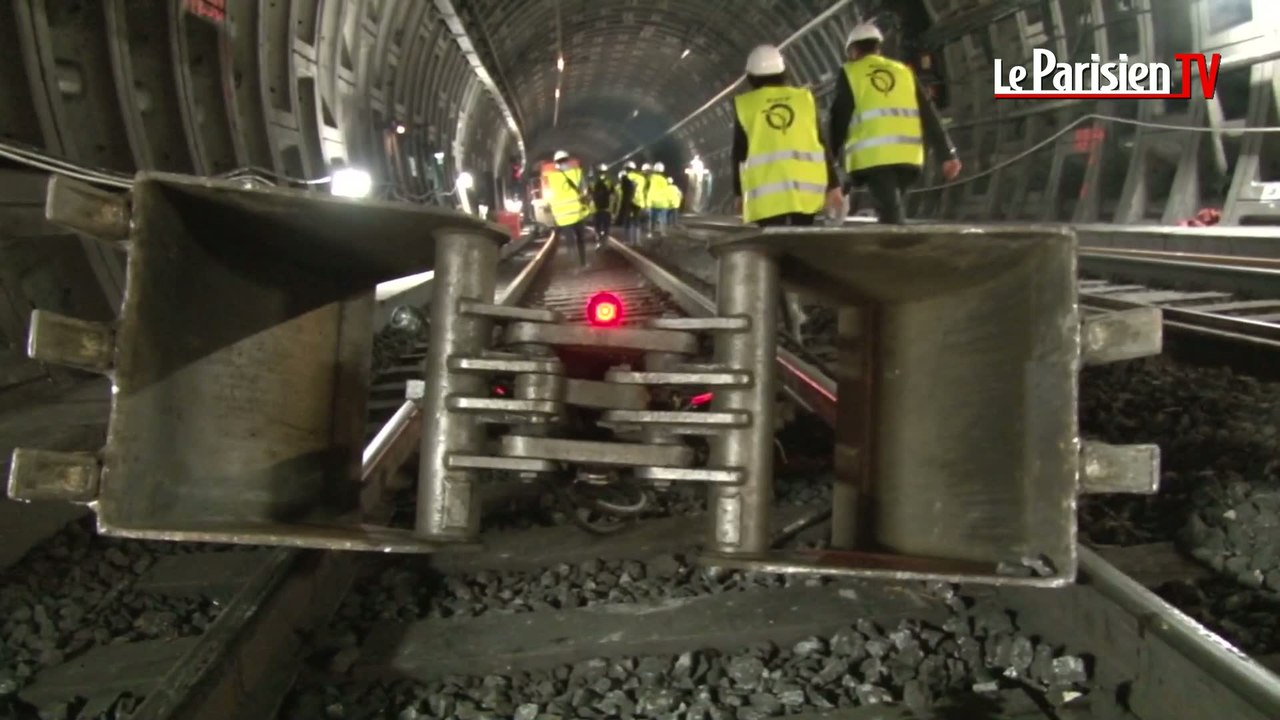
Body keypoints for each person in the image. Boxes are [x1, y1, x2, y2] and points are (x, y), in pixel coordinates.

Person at [828, 22, 961, 224]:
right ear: (878, 47)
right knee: (890, 210)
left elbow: (840, 116)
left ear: (853, 51)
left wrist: (831, 157)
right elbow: (928, 113)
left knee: (891, 216)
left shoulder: (851, 72)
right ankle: (892, 234)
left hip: (875, 158)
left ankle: (899, 242)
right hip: (909, 159)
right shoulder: (904, 72)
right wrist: (947, 154)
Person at [732, 45, 842, 227]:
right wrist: (834, 184)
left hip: (767, 196)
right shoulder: (805, 98)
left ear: (751, 76)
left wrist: (739, 193)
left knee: (773, 242)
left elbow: (739, 154)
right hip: (806, 190)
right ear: (783, 72)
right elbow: (821, 143)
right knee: (801, 240)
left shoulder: (745, 105)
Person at [545, 150, 591, 266]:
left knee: (570, 241)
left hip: (563, 217)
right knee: (581, 239)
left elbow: (549, 197)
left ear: (556, 163)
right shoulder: (577, 173)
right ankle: (583, 263)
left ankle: (573, 264)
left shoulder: (552, 178)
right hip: (578, 213)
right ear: (568, 160)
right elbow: (585, 191)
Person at [621, 161, 645, 244]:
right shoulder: (641, 178)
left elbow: (624, 190)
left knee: (627, 220)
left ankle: (627, 240)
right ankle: (637, 241)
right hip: (639, 201)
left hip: (629, 201)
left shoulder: (625, 177)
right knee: (636, 220)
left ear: (626, 169)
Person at [590, 163, 615, 241]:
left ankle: (598, 236)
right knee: (606, 224)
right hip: (606, 207)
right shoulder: (609, 182)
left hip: (597, 207)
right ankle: (604, 237)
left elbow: (590, 194)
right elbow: (612, 195)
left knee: (597, 223)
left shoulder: (593, 182)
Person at [647, 162, 671, 233]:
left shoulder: (651, 178)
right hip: (663, 203)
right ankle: (663, 232)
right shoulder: (664, 180)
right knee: (663, 219)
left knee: (652, 219)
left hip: (653, 202)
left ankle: (651, 231)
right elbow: (667, 192)